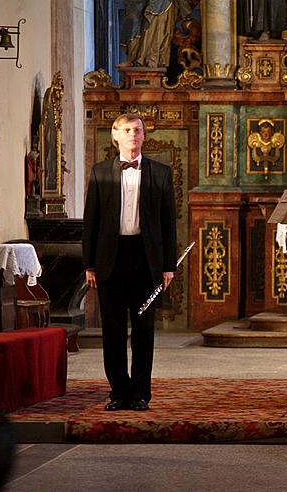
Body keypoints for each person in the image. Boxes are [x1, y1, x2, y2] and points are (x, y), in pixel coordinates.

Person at [83, 113, 177, 411]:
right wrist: (89, 265)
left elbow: (168, 223)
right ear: (115, 136)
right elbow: (91, 221)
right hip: (111, 257)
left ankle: (139, 394)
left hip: (145, 257)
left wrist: (168, 266)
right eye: (127, 130)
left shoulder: (161, 173)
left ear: (144, 136)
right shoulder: (101, 172)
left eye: (138, 130)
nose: (133, 134)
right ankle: (118, 393)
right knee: (112, 330)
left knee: (143, 329)